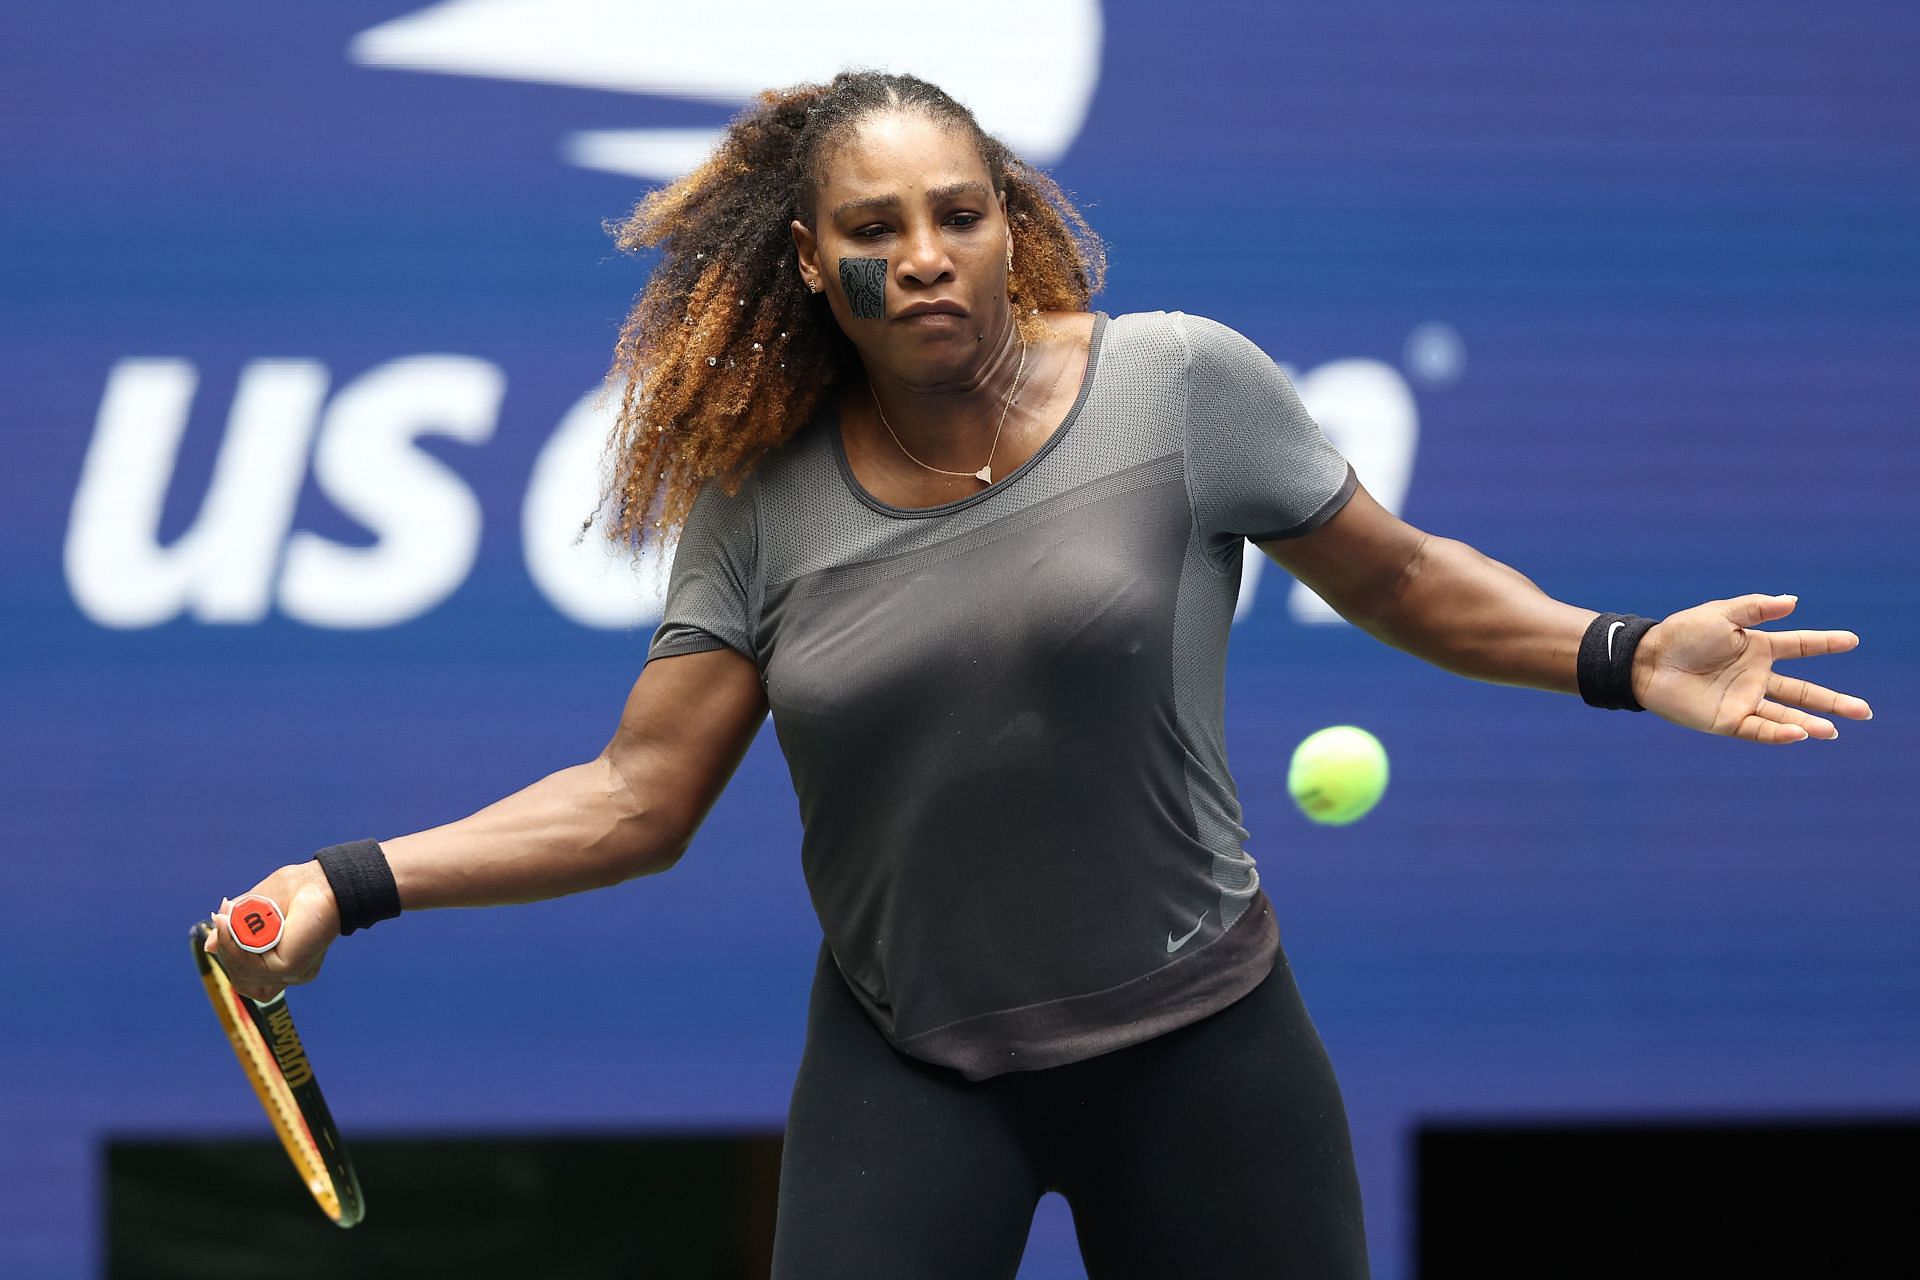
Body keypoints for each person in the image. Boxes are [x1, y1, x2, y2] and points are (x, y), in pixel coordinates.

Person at [205, 70, 1873, 1278]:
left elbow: (1407, 579)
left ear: (1014, 228)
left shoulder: (1182, 387)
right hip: (907, 1065)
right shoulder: (756, 506)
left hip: (1208, 1045)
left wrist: (1620, 651)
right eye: (877, 226)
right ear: (811, 262)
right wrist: (349, 883)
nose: (924, 252)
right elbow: (641, 798)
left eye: (960, 213)